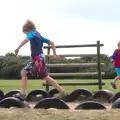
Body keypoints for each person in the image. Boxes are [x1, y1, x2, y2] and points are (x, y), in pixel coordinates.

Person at [14, 20, 67, 99]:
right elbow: (52, 42)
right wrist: (54, 53)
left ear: (28, 29)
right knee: (24, 72)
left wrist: (18, 48)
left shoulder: (32, 33)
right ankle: (23, 93)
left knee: (45, 77)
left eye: (25, 33)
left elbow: (26, 40)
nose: (26, 35)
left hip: (38, 59)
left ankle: (62, 91)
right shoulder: (39, 35)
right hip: (37, 59)